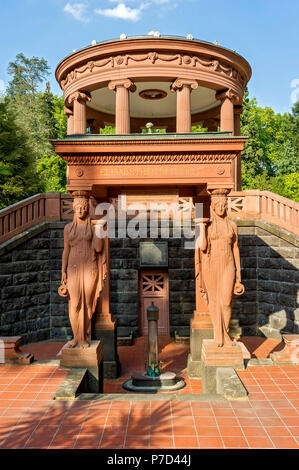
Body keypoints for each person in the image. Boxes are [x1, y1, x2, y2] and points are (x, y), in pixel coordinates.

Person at [59, 192, 106, 348]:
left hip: (90, 265)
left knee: (87, 302)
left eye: (83, 208)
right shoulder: (68, 229)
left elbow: (99, 248)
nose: (80, 211)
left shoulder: (92, 227)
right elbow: (66, 250)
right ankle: (75, 337)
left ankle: (84, 337)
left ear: (87, 209)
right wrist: (63, 270)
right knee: (75, 302)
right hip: (73, 266)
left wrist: (99, 229)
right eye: (77, 208)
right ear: (74, 208)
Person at [199, 189, 244, 347]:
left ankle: (224, 333)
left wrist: (239, 274)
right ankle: (219, 336)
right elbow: (203, 247)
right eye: (218, 205)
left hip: (228, 264)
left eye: (223, 205)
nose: (221, 208)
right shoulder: (208, 226)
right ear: (212, 207)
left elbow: (236, 249)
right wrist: (200, 226)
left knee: (226, 301)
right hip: (211, 264)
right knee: (214, 301)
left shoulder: (232, 226)